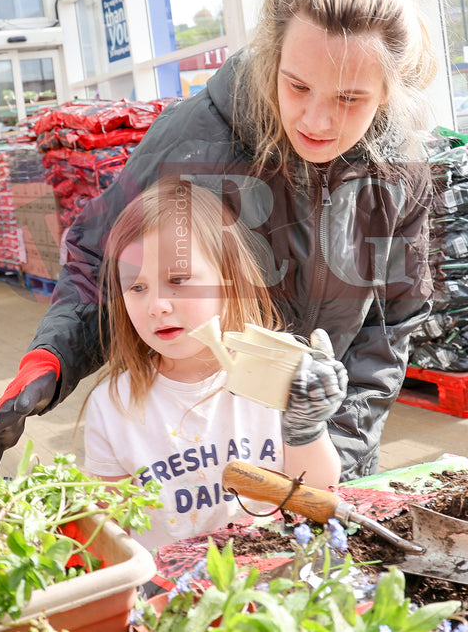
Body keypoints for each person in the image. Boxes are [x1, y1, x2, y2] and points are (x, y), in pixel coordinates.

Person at [0, 0, 436, 488]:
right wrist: (51, 360)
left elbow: (392, 324)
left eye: (350, 99)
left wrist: (330, 460)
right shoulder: (195, 137)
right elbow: (103, 255)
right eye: (298, 86)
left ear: (388, 92)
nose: (317, 121)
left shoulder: (398, 172)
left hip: (325, 449)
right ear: (273, 60)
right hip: (198, 450)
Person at [83, 177, 346, 548]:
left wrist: (307, 427)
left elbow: (319, 494)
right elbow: (107, 532)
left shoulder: (279, 370)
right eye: (137, 287)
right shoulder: (112, 406)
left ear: (229, 279)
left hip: (272, 576)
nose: (157, 305)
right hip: (169, 593)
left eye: (178, 278)